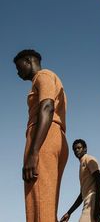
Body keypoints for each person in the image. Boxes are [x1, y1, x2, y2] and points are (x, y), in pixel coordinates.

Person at [13, 49, 68, 222]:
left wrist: (33, 152)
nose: (17, 72)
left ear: (29, 60)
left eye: (18, 66)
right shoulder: (48, 78)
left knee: (39, 202)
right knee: (46, 203)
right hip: (53, 136)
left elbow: (47, 107)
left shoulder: (43, 76)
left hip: (43, 138)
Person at [60, 139, 100, 222]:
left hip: (94, 200)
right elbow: (82, 196)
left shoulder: (88, 159)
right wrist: (69, 213)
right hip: (91, 200)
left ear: (85, 149)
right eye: (74, 149)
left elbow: (99, 179)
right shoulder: (81, 165)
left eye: (79, 148)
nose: (76, 150)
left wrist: (97, 206)